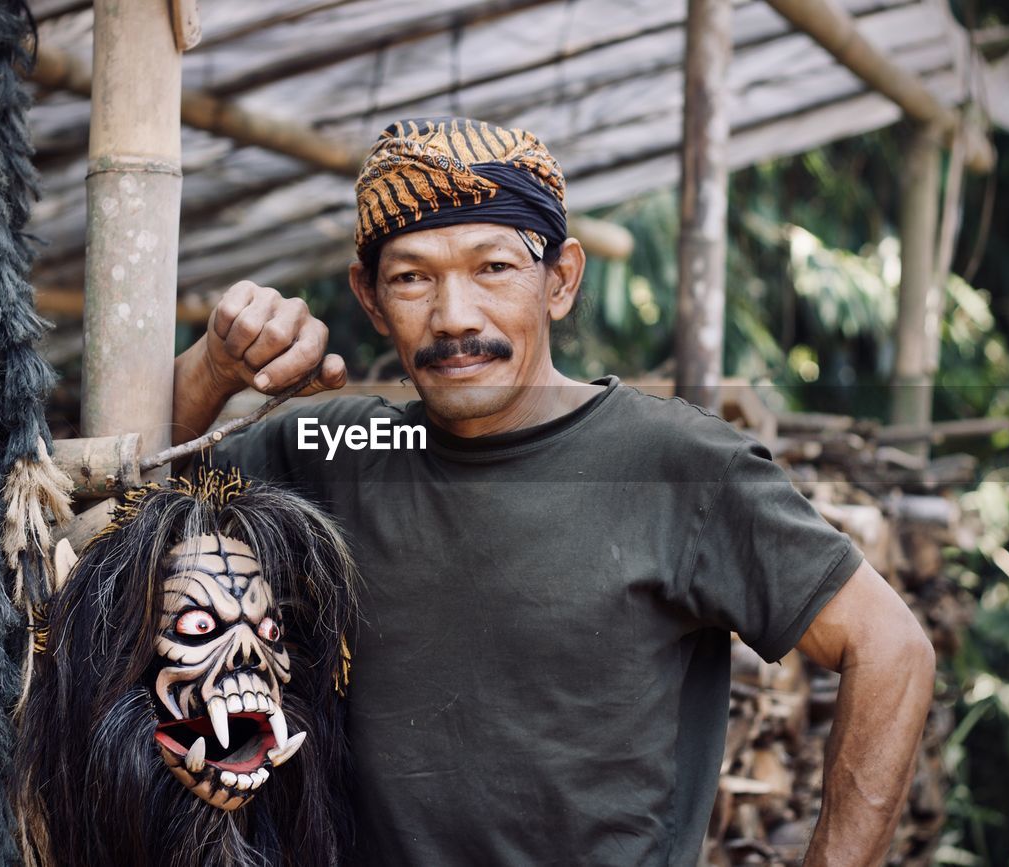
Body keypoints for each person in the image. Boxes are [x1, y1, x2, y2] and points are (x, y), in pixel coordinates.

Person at [171, 117, 935, 866]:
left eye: (494, 268)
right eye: (411, 278)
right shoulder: (344, 453)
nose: (455, 317)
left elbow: (891, 648)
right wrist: (213, 364)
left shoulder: (673, 465)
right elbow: (129, 503)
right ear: (369, 299)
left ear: (560, 280)